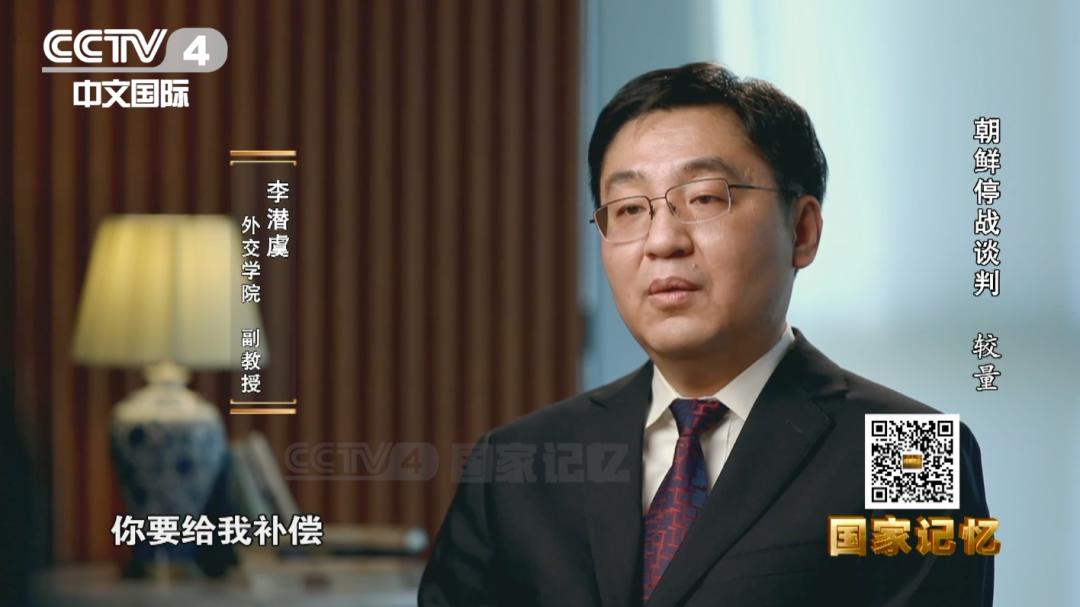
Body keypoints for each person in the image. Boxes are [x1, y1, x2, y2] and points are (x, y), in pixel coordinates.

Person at [419, 62, 993, 606]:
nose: (662, 241)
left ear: (802, 231)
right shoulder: (519, 462)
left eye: (704, 198)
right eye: (628, 209)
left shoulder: (911, 452)